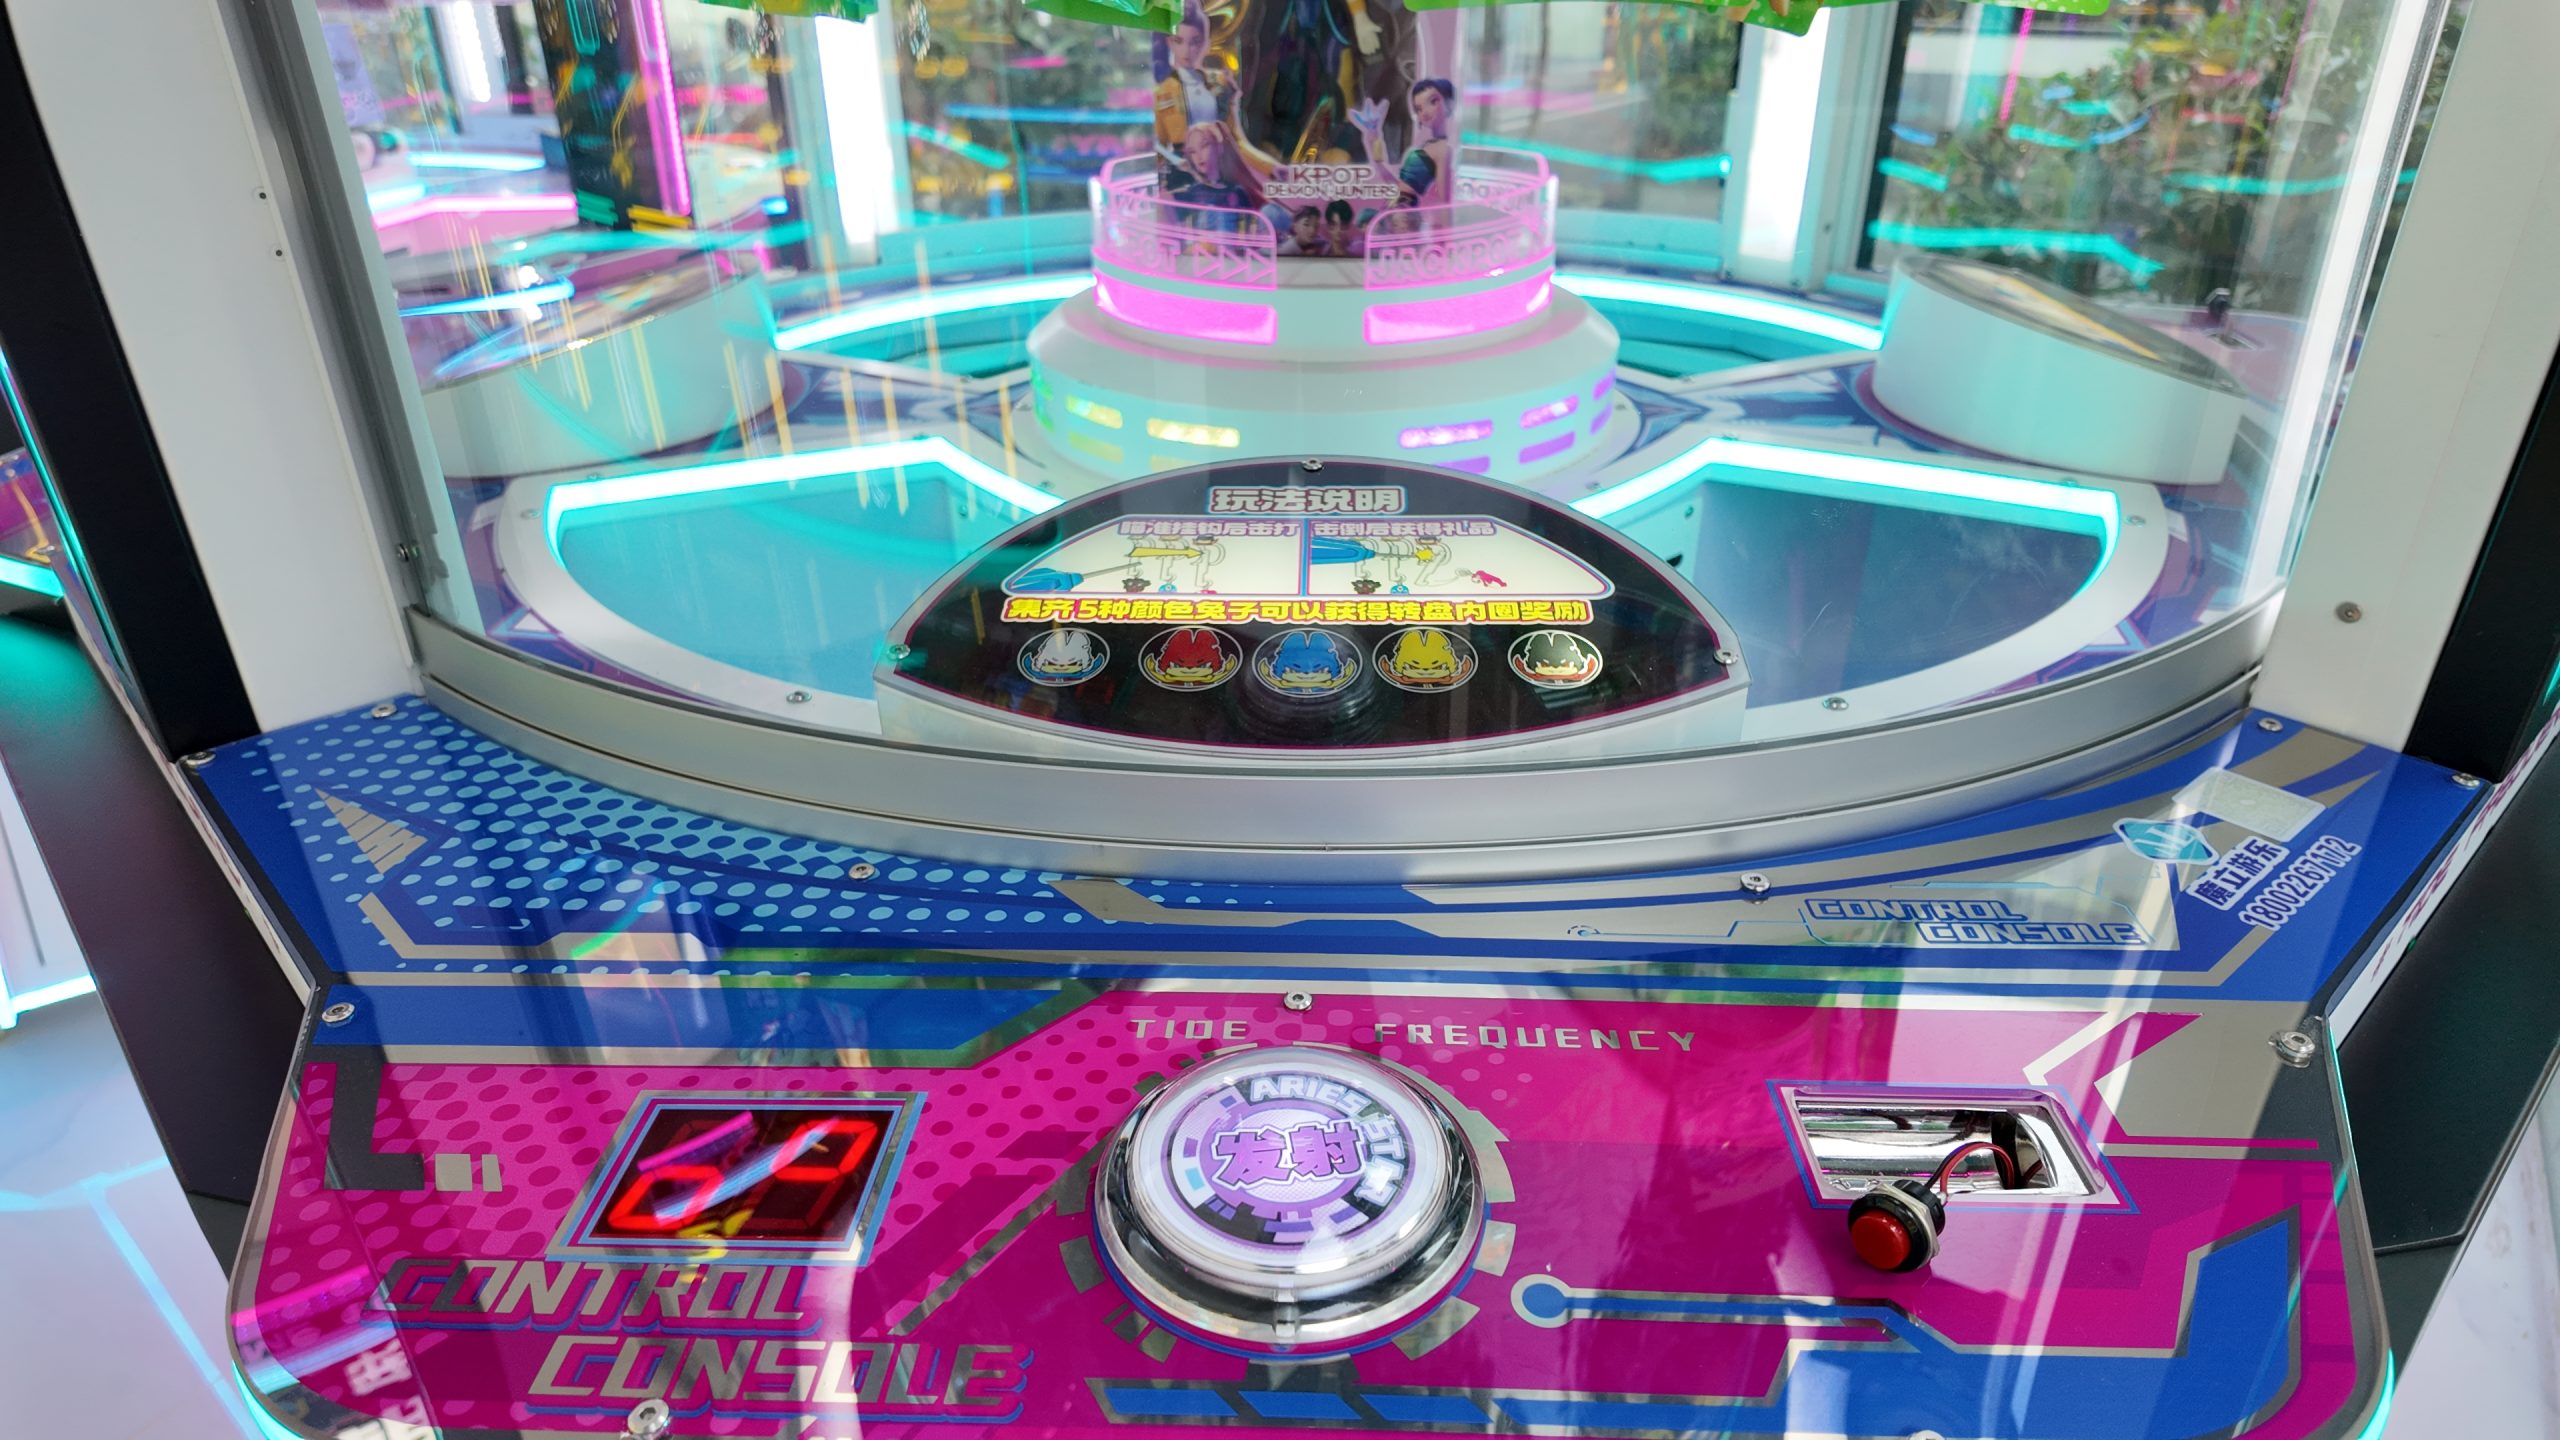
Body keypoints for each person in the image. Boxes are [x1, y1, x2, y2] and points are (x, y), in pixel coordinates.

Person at [1352, 77, 1455, 208]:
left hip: (1405, 207)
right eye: (1418, 109)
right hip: (1397, 205)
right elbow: (1395, 182)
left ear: (1449, 102)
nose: (1424, 112)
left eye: (1433, 101)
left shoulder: (1443, 149)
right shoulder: (1430, 145)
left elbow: (1443, 201)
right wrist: (1374, 142)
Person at [1153, 4, 1234, 154]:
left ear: (1204, 43)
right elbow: (1160, 143)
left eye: (1194, 42)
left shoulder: (1220, 82)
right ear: (1170, 42)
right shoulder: (1163, 91)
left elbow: (1236, 137)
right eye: (1179, 41)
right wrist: (1177, 161)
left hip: (1219, 161)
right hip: (1182, 163)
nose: (1186, 50)